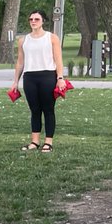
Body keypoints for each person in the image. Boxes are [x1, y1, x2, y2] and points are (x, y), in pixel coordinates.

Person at [11, 9, 68, 153]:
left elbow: (58, 59)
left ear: (43, 21)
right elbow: (20, 62)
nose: (33, 22)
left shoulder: (51, 38)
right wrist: (15, 82)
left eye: (36, 19)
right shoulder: (23, 40)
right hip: (30, 77)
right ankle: (34, 141)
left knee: (48, 110)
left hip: (48, 76)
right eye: (31, 19)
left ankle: (48, 142)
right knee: (34, 110)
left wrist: (60, 78)